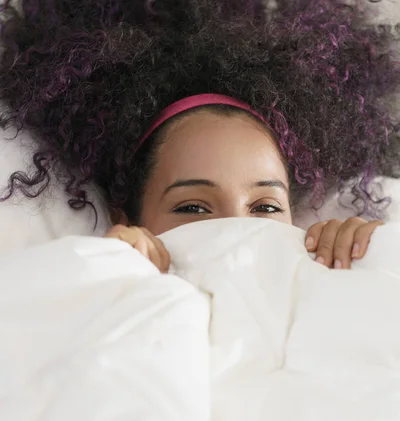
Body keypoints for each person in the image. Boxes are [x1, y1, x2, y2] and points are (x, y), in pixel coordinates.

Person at [0, 0, 398, 272]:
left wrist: (373, 259)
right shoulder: (97, 284)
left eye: (265, 207)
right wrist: (102, 274)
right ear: (128, 220)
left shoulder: (332, 270)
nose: (237, 229)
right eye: (193, 208)